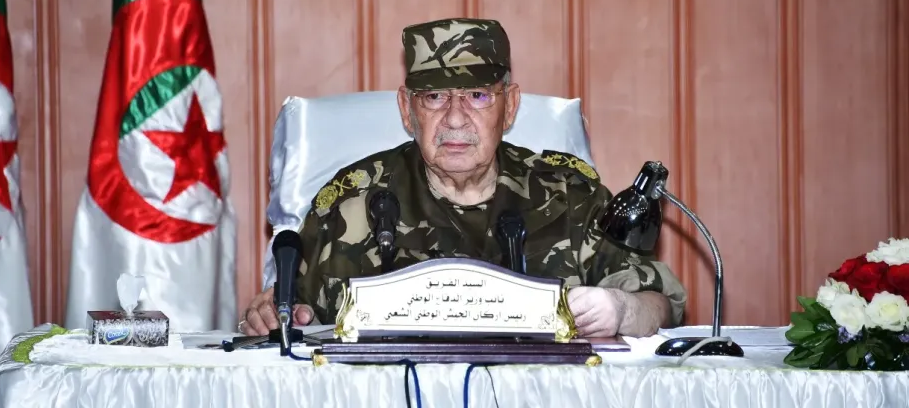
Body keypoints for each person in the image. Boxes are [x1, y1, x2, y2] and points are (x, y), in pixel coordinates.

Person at [241, 18, 687, 338]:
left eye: (477, 95)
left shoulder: (570, 196)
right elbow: (286, 310)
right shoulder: (352, 202)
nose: (455, 118)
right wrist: (272, 313)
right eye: (434, 97)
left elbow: (662, 304)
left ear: (510, 107)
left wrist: (622, 310)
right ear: (407, 110)